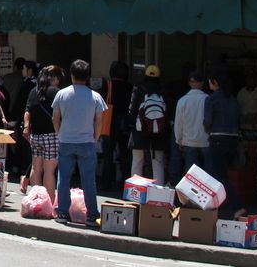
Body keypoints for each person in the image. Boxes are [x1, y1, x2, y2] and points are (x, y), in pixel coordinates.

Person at [52, 59, 106, 228]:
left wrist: (59, 133)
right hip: (87, 142)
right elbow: (99, 121)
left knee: (64, 178)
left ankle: (62, 212)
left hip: (66, 140)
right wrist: (95, 137)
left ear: (71, 75)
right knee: (88, 180)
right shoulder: (96, 96)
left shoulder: (62, 94)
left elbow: (55, 117)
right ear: (87, 76)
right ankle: (91, 215)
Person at [204, 69, 245, 219]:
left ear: (214, 82)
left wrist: (207, 129)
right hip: (232, 141)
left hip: (217, 140)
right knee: (220, 175)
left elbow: (207, 122)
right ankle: (221, 206)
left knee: (216, 176)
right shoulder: (233, 99)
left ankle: (235, 205)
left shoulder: (211, 99)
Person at [24, 65, 62, 202]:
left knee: (36, 167)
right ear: (55, 79)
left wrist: (26, 127)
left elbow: (27, 111)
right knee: (49, 171)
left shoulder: (33, 92)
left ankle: (35, 201)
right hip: (51, 135)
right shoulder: (56, 92)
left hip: (35, 135)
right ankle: (49, 203)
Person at [129, 64, 169, 185]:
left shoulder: (139, 89)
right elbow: (168, 112)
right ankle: (158, 193)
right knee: (158, 162)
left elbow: (132, 110)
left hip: (140, 130)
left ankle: (135, 192)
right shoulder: (163, 91)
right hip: (159, 131)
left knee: (137, 161)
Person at [100, 60, 134, 190]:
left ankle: (106, 184)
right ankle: (125, 184)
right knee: (125, 156)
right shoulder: (130, 87)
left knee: (108, 156)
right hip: (124, 124)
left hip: (109, 123)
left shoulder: (108, 85)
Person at [174, 70, 210, 173]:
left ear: (189, 83)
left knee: (191, 176)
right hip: (206, 141)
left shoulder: (182, 101)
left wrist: (178, 140)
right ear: (203, 83)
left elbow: (178, 124)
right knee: (207, 175)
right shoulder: (208, 99)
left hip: (188, 142)